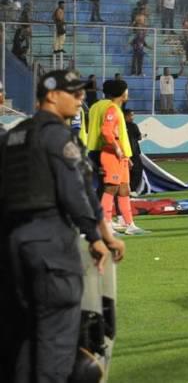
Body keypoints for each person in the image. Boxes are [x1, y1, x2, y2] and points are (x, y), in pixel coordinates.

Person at [0, 69, 124, 382]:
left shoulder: (12, 137)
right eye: (75, 93)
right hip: (50, 245)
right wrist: (97, 237)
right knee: (56, 342)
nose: (81, 98)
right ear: (52, 96)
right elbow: (76, 191)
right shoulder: (57, 136)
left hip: (12, 248)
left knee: (23, 338)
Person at [88, 79, 145, 235]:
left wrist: (125, 154)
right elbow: (107, 131)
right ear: (121, 92)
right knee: (108, 188)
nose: (128, 92)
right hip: (108, 151)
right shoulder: (112, 108)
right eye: (126, 90)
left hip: (99, 149)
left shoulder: (95, 106)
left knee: (120, 188)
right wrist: (118, 149)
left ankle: (123, 221)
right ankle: (104, 223)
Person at [124, 108, 145, 194]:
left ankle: (125, 189)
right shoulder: (133, 126)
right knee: (137, 171)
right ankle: (132, 190)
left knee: (126, 172)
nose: (133, 117)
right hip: (133, 152)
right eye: (131, 115)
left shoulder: (119, 125)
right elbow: (139, 137)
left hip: (124, 152)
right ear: (126, 116)